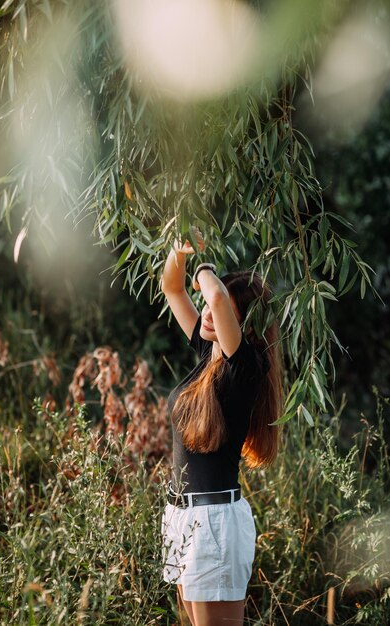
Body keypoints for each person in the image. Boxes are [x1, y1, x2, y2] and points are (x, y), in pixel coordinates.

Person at [160, 229, 283, 626]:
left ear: (244, 323)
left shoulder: (245, 370)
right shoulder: (207, 353)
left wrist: (206, 267)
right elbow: (173, 289)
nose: (210, 314)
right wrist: (180, 248)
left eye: (225, 311)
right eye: (213, 308)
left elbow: (210, 294)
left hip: (213, 523)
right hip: (181, 517)